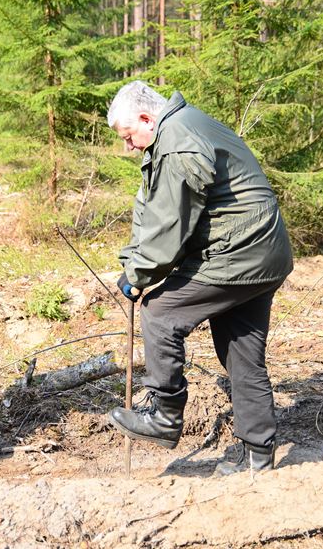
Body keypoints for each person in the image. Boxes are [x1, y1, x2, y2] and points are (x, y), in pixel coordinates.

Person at [106, 81, 293, 476]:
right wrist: (133, 263)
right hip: (263, 252)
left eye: (128, 136)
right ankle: (257, 455)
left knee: (160, 313)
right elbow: (152, 209)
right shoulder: (185, 125)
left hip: (238, 253)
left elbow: (171, 223)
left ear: (146, 118)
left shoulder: (177, 143)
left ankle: (164, 415)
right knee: (241, 352)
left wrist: (139, 276)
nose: (129, 146)